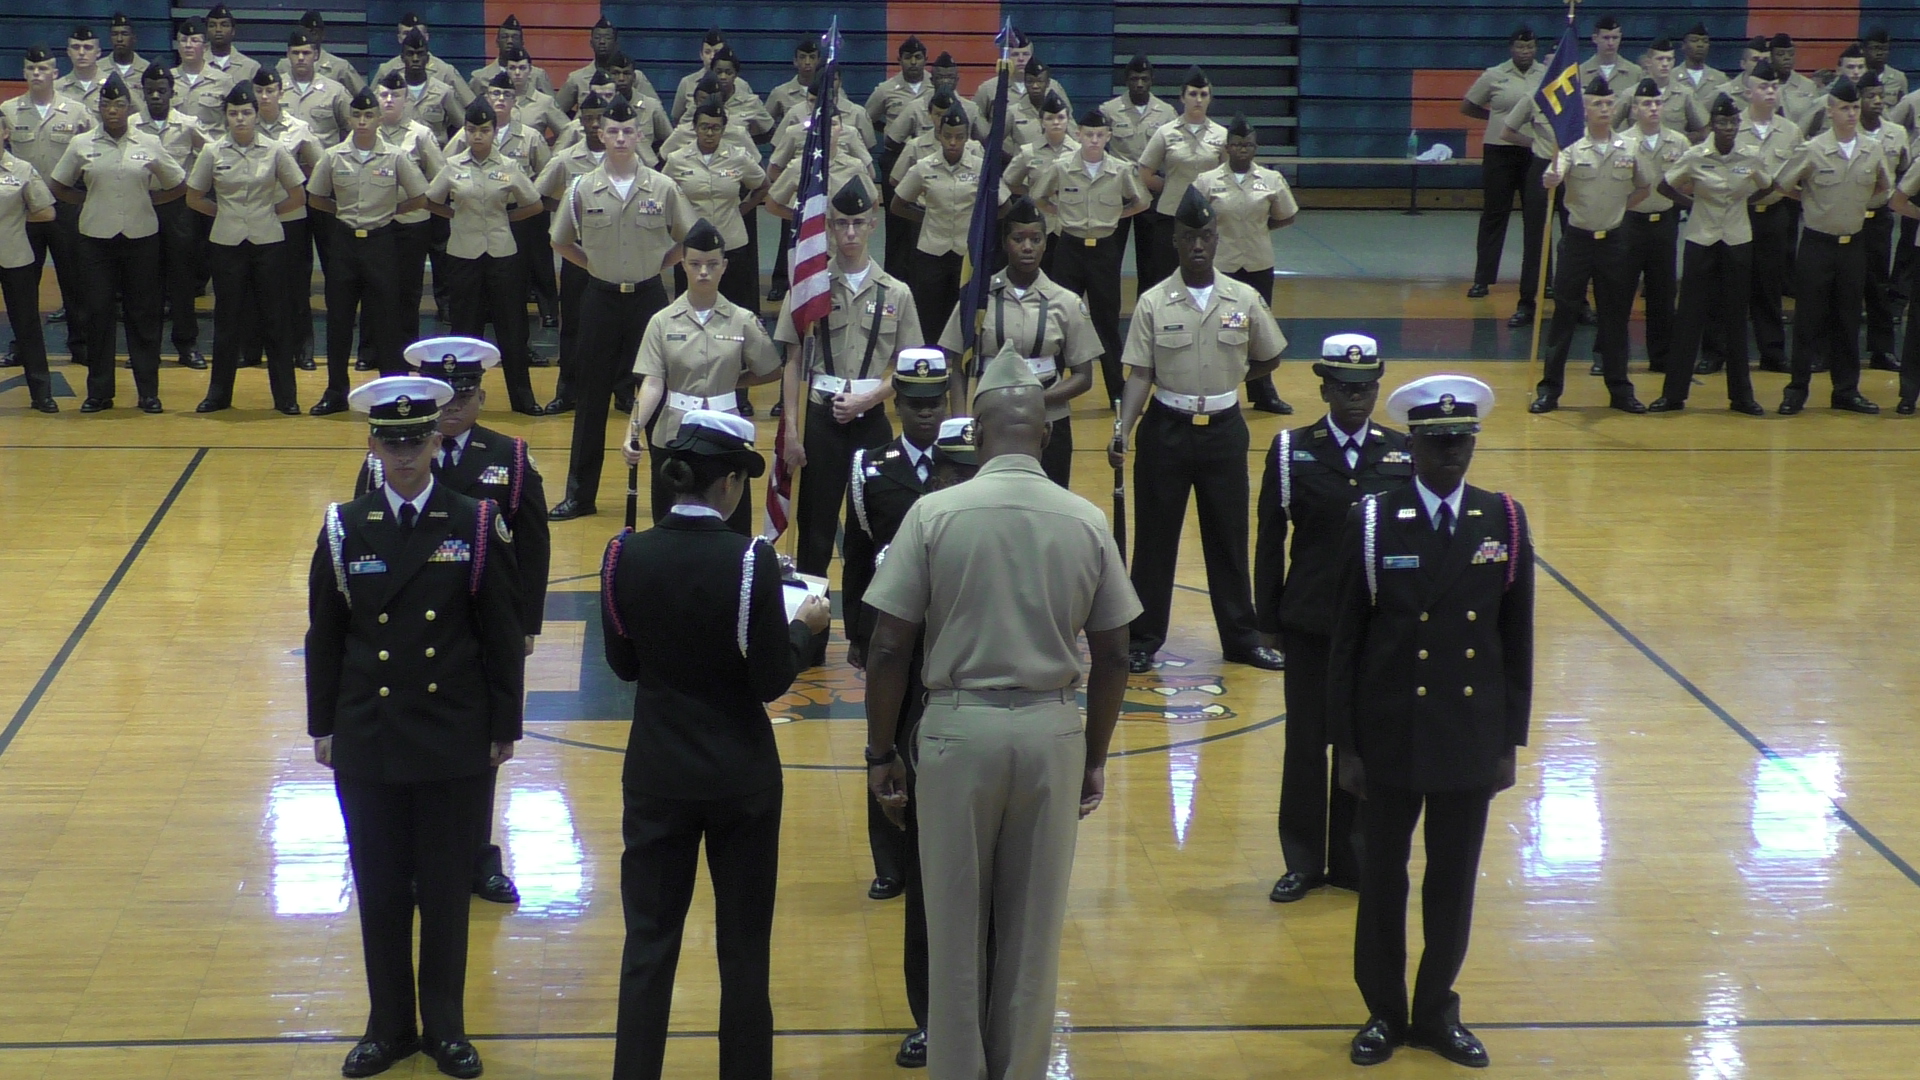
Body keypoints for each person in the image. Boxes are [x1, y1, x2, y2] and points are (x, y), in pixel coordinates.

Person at [862, 345, 1138, 1080]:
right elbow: (1115, 653)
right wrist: (1097, 754)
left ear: (976, 433)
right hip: (1052, 733)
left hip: (956, 733)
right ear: (1044, 434)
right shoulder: (1085, 521)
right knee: (1032, 937)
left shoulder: (933, 514)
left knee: (953, 933)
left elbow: (888, 647)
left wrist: (880, 753)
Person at [600, 409, 830, 1080]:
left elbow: (624, 667)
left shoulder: (624, 554)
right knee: (743, 954)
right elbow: (767, 680)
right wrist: (805, 631)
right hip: (740, 780)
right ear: (729, 483)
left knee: (647, 949)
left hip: (657, 775)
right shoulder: (751, 560)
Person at [306, 374, 524, 1080]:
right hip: (370, 733)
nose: (404, 456)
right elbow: (326, 635)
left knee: (444, 891)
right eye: (391, 442)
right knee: (379, 886)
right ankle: (389, 1026)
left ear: (438, 439)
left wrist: (504, 727)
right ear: (373, 443)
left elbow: (499, 633)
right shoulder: (345, 524)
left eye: (417, 440)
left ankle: (447, 1028)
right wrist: (322, 725)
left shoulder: (476, 522)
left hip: (451, 735)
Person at [1328, 373, 1533, 1071]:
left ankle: (1437, 1009)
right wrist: (1345, 746)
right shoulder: (1374, 519)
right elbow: (1347, 642)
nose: (1452, 455)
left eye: (1462, 441)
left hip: (1467, 735)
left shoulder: (1501, 520)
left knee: (1454, 879)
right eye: (1438, 442)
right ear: (1411, 446)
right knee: (1383, 878)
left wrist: (1510, 742)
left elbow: (1516, 641)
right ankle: (1384, 1012)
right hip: (1390, 734)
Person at [353, 337, 550, 905]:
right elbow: (367, 538)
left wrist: (526, 624)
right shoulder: (390, 458)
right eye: (450, 395)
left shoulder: (508, 456)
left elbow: (532, 546)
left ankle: (476, 857)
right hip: (410, 623)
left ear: (481, 396)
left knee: (481, 748)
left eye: (466, 393)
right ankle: (418, 860)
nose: (457, 404)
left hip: (481, 625)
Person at [1253, 333, 1406, 904]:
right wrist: (1265, 618)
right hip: (1312, 621)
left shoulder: (1400, 452)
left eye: (1366, 387)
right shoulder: (1292, 449)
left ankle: (1352, 859)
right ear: (1323, 387)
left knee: (1359, 741)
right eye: (1344, 387)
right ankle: (1301, 859)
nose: (1356, 398)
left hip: (1374, 625)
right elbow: (1271, 537)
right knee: (1305, 742)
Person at [1110, 186, 1287, 674]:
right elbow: (1140, 374)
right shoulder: (1153, 302)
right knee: (1155, 540)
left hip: (1225, 429)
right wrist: (1122, 430)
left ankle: (1241, 638)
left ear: (1217, 238)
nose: (1198, 246)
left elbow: (1270, 354)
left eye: (1206, 236)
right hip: (1166, 426)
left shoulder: (1243, 297)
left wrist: (1231, 378)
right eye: (1189, 237)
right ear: (1175, 239)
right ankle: (1144, 638)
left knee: (1228, 537)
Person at [838, 351, 951, 1063]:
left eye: (935, 401)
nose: (926, 412)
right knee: (887, 741)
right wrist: (857, 637)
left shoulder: (966, 463)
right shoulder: (869, 469)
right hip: (890, 636)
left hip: (947, 640)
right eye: (914, 402)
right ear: (898, 403)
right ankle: (891, 860)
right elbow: (858, 554)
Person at [549, 93, 696, 520]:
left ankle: (668, 500)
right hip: (599, 299)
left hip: (650, 301)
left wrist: (658, 265)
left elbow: (687, 238)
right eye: (611, 131)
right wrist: (593, 264)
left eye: (627, 130)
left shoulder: (663, 186)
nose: (619, 137)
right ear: (599, 133)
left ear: (638, 135)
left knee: (659, 400)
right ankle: (579, 494)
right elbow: (560, 241)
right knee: (590, 398)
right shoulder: (581, 186)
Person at [776, 178, 925, 576]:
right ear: (828, 227)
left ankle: (864, 635)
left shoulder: (897, 293)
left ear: (873, 224)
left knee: (870, 530)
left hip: (871, 420)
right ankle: (808, 632)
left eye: (859, 222)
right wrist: (791, 430)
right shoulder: (809, 288)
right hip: (819, 421)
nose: (850, 232)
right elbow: (792, 362)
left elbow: (910, 369)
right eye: (841, 223)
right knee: (815, 532)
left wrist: (868, 400)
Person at [620, 219, 782, 532]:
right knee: (670, 525)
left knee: (732, 527)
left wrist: (733, 381)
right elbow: (652, 383)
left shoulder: (742, 320)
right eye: (695, 264)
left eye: (711, 264)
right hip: (674, 432)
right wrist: (633, 431)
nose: (703, 272)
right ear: (683, 266)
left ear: (724, 266)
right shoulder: (662, 321)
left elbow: (771, 369)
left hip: (727, 431)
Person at [48, 74, 186, 414]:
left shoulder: (148, 143)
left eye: (119, 104)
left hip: (141, 239)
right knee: (97, 315)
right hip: (95, 240)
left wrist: (148, 201)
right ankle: (99, 392)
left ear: (129, 108)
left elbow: (179, 183)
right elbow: (58, 185)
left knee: (143, 316)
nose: (113, 110)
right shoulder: (82, 144)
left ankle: (148, 393)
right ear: (99, 108)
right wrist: (89, 200)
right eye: (107, 105)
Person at [938, 197, 1100, 485]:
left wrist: (1036, 399)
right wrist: (962, 422)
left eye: (1035, 239)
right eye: (1018, 238)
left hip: (1048, 420)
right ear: (1005, 242)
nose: (1027, 247)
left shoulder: (1066, 302)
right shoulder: (978, 298)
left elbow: (1084, 376)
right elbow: (958, 366)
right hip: (989, 421)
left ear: (1045, 243)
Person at [1527, 77, 1654, 415]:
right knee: (1565, 316)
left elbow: (1644, 187)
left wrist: (1617, 210)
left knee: (1615, 317)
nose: (1603, 109)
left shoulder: (1628, 148)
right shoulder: (1571, 146)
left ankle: (1620, 390)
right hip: (1578, 242)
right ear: (1584, 109)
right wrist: (1550, 179)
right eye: (1597, 103)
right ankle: (1550, 391)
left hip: (1612, 242)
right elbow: (1553, 176)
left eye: (1608, 103)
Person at [306, 85, 431, 408]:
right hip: (345, 242)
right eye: (357, 115)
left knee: (388, 318)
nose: (362, 121)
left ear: (378, 119)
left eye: (368, 115)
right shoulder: (333, 156)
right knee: (339, 319)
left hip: (381, 241)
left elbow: (420, 196)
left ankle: (391, 390)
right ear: (349, 119)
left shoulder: (396, 156)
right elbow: (316, 197)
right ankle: (336, 391)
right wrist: (343, 214)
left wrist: (392, 213)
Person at [184, 81, 305, 414]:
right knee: (227, 321)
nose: (240, 119)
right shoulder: (212, 151)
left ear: (256, 115)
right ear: (225, 116)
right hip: (226, 244)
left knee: (276, 321)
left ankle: (286, 398)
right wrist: (223, 212)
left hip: (268, 243)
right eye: (234, 113)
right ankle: (218, 395)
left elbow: (298, 195)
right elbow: (194, 197)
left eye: (246, 113)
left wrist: (268, 213)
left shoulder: (274, 149)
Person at [1772, 78, 1891, 416]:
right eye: (1845, 108)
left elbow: (1885, 188)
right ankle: (1797, 390)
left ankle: (1846, 390)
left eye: (1855, 107)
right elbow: (1783, 184)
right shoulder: (1813, 149)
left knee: (1849, 319)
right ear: (1830, 111)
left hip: (1853, 244)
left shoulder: (1873, 148)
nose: (1852, 113)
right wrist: (1812, 199)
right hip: (1817, 244)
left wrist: (1858, 205)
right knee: (1808, 319)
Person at [1648, 93, 1771, 415]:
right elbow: (1664, 186)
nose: (1727, 127)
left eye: (1732, 122)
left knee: (1735, 319)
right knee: (1689, 318)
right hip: (1701, 240)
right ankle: (1673, 395)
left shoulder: (1751, 155)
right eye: (1721, 122)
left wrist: (1747, 202)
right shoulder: (1695, 155)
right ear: (1712, 125)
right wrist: (1694, 205)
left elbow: (1769, 185)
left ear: (1739, 124)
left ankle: (1742, 397)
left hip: (1737, 240)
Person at [426, 99, 545, 417]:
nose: (478, 135)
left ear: (495, 132)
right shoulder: (453, 166)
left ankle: (523, 399)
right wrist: (455, 215)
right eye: (472, 129)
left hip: (502, 254)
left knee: (513, 328)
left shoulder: (508, 166)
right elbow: (431, 201)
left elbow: (533, 204)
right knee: (465, 330)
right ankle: (460, 398)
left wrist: (506, 218)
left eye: (484, 130)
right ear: (464, 131)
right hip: (463, 255)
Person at [1032, 108, 1148, 404]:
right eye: (1088, 135)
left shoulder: (1120, 170)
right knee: (1060, 318)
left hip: (1105, 250)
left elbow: (1141, 201)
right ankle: (1054, 385)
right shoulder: (1062, 167)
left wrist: (1114, 216)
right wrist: (1062, 213)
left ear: (1108, 136)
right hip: (1069, 247)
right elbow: (1038, 197)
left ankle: (1116, 391)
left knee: (1106, 320)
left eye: (1100, 135)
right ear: (1078, 134)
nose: (1094, 140)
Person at [1193, 115, 1298, 414]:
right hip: (1222, 267)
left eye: (1248, 145)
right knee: (1220, 328)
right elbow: (1195, 220)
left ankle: (1263, 393)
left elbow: (1286, 215)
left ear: (1255, 148)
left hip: (1257, 265)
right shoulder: (1206, 181)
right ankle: (1214, 389)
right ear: (1227, 147)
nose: (1242, 150)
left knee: (1258, 329)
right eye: (1237, 145)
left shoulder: (1271, 180)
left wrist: (1259, 229)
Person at [4, 45, 94, 362]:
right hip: (25, 209)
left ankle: (81, 344)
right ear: (24, 73)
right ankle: (23, 346)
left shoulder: (76, 111)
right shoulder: (10, 111)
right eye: (32, 69)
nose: (37, 74)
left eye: (44, 69)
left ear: (55, 73)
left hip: (65, 204)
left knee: (74, 278)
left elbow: (93, 154)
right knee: (24, 282)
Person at [534, 92, 609, 415]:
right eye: (588, 118)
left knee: (616, 326)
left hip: (615, 253)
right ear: (579, 120)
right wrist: (567, 210)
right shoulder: (566, 159)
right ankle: (568, 391)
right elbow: (537, 195)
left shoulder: (624, 158)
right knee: (574, 326)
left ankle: (621, 390)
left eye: (599, 118)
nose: (594, 125)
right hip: (577, 253)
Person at [1462, 27, 1547, 309]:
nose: (1526, 52)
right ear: (1511, 48)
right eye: (1521, 48)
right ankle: (1482, 279)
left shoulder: (1546, 74)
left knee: (1538, 218)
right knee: (1494, 215)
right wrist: (1496, 118)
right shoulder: (1494, 74)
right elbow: (1468, 105)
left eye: (1531, 47)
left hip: (1535, 151)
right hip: (1499, 151)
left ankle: (1544, 280)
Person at [135, 65, 209, 372]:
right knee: (144, 282)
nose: (155, 96)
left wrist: (196, 187)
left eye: (161, 90)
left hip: (178, 210)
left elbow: (212, 155)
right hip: (141, 206)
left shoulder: (188, 124)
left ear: (171, 93)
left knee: (181, 281)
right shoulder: (131, 125)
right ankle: (145, 349)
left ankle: (186, 345)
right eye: (149, 90)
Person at [663, 101, 768, 313]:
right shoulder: (677, 159)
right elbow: (663, 194)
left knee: (735, 308)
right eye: (704, 127)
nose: (710, 133)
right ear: (694, 128)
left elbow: (763, 185)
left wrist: (743, 209)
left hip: (732, 244)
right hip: (691, 246)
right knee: (692, 308)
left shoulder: (738, 157)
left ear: (723, 129)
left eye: (716, 127)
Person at [892, 105, 982, 351]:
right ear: (939, 135)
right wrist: (928, 217)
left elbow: (1002, 206)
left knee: (962, 315)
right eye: (948, 136)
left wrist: (979, 226)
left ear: (967, 136)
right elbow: (897, 204)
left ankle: (960, 366)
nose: (953, 142)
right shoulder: (924, 167)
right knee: (929, 316)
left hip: (965, 254)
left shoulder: (980, 167)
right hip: (931, 252)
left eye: (960, 137)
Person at [1735, 61, 1802, 378]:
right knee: (1729, 286)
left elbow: (1802, 173)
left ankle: (1772, 352)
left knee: (1769, 287)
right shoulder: (1733, 127)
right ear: (1749, 91)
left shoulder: (1790, 131)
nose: (1771, 91)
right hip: (1739, 214)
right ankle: (1717, 351)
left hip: (1775, 216)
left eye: (1774, 86)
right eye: (1764, 86)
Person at [1137, 67, 1225, 296]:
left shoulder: (1222, 135)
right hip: (1171, 217)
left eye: (1203, 94)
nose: (1198, 99)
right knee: (1166, 279)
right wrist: (1173, 189)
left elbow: (1227, 174)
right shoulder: (1165, 133)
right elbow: (1145, 173)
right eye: (1193, 94)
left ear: (1210, 99)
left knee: (1207, 280)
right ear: (1182, 97)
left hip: (1208, 219)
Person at [1622, 78, 1689, 376]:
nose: (1652, 108)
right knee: (1618, 293)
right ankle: (1607, 355)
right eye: (1646, 103)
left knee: (1662, 294)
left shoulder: (1679, 141)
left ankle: (1662, 357)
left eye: (1657, 103)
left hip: (1664, 223)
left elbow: (1688, 179)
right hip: (1628, 224)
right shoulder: (1620, 141)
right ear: (1634, 108)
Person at [0, 113, 59, 412]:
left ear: (6, 133)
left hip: (15, 254)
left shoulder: (22, 169)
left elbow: (46, 211)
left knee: (27, 325)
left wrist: (15, 220)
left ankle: (41, 393)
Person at [1103, 55, 1177, 290]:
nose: (1139, 84)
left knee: (1152, 261)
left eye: (1144, 79)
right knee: (1110, 258)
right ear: (1126, 80)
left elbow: (1174, 152)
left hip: (1150, 192)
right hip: (1118, 193)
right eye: (1134, 79)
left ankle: (1147, 312)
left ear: (1151, 80)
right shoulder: (1109, 110)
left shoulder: (1166, 113)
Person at [1857, 72, 1908, 374]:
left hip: (1879, 219)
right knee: (1842, 286)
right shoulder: (1848, 132)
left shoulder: (1896, 133)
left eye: (1880, 95)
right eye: (1870, 96)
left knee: (1878, 285)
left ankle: (1882, 350)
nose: (1877, 101)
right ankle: (1831, 350)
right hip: (1850, 216)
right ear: (1859, 99)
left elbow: (1903, 170)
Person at [1002, 91, 1080, 268]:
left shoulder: (1079, 152)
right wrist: (1031, 193)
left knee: (1067, 276)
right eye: (1050, 118)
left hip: (1069, 224)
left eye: (1061, 118)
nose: (1056, 122)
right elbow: (1009, 181)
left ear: (1068, 120)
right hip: (1037, 223)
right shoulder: (1029, 152)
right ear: (1041, 122)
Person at [373, 14, 475, 110]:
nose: (413, 36)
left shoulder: (445, 70)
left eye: (418, 32)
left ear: (426, 37)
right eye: (406, 34)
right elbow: (372, 106)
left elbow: (470, 104)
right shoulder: (386, 70)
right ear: (399, 38)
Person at [971, 29, 1071, 119]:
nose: (1021, 59)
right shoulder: (989, 89)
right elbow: (975, 122)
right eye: (1015, 54)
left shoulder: (1052, 87)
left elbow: (1068, 120)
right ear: (1006, 57)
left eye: (1025, 54)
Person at [283, 29, 353, 147]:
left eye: (306, 53)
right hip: (284, 162)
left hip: (324, 162)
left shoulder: (335, 91)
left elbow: (354, 127)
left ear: (315, 55)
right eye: (295, 53)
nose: (300, 58)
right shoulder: (274, 90)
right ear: (288, 55)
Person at [277, 10, 364, 95]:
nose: (310, 37)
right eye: (306, 32)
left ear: (322, 35)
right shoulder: (284, 66)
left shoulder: (340, 67)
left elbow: (363, 95)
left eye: (314, 33)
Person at [469, 15, 554, 101]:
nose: (510, 41)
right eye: (505, 37)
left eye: (515, 37)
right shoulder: (480, 78)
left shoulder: (537, 76)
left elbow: (552, 108)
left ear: (522, 42)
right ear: (497, 42)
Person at [171, 18, 234, 131]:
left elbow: (232, 120)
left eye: (195, 40)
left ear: (205, 47)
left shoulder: (223, 81)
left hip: (210, 145)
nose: (188, 45)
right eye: (183, 40)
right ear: (178, 45)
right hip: (177, 146)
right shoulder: (168, 80)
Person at [54, 26, 106, 118]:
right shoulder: (56, 88)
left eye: (88, 47)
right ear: (69, 52)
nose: (81, 52)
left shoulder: (112, 84)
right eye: (76, 47)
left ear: (98, 52)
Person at [202, 4, 260, 86]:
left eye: (224, 25)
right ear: (207, 31)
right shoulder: (196, 65)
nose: (218, 29)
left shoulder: (250, 68)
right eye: (212, 25)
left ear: (233, 31)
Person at [1582, 15, 1644, 90]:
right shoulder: (1580, 72)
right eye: (1606, 38)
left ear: (1620, 38)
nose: (1611, 43)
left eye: (1615, 38)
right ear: (1595, 38)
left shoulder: (1635, 73)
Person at [105, 13, 151, 91]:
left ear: (134, 38)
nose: (119, 39)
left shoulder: (147, 70)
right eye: (114, 34)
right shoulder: (98, 68)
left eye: (124, 34)